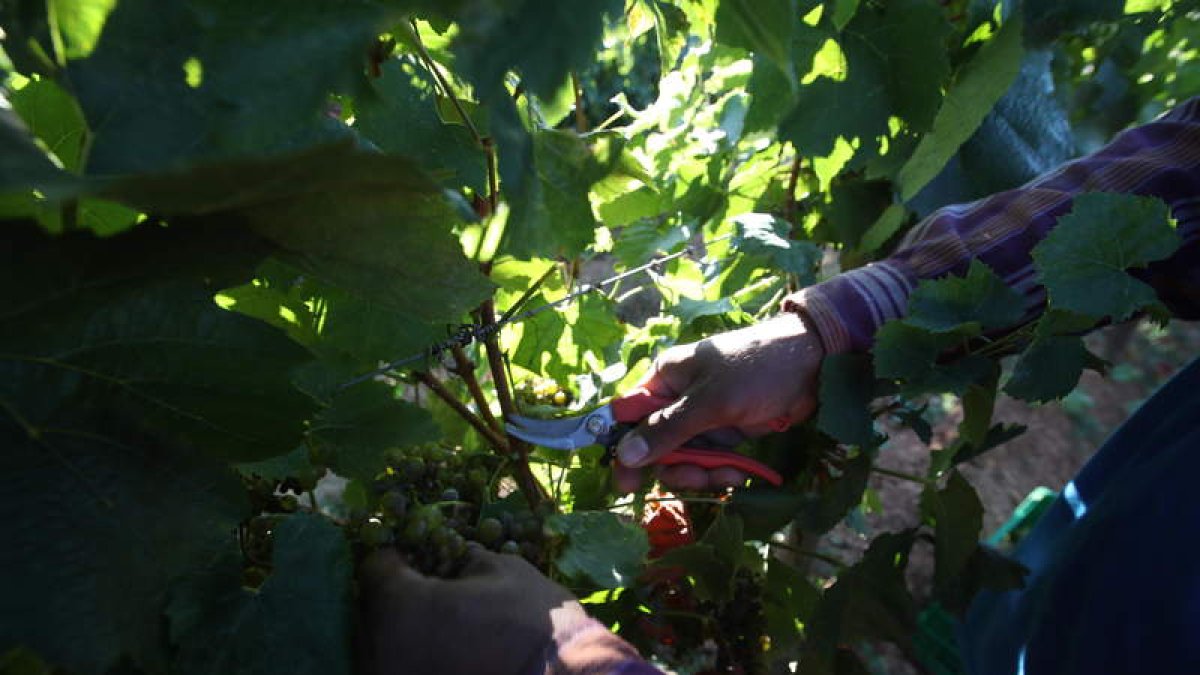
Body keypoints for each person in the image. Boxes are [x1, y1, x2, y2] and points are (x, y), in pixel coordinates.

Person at [358, 97, 1200, 675]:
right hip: (1152, 515)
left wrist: (552, 660)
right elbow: (1178, 179)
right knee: (1082, 592)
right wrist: (819, 334)